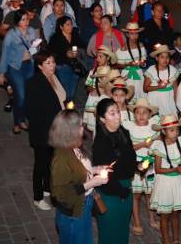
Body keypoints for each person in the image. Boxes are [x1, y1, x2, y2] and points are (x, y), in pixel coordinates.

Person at [50, 109, 109, 244]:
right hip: (73, 214)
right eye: (80, 126)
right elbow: (61, 194)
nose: (83, 129)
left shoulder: (74, 147)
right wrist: (92, 183)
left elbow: (77, 171)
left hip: (84, 206)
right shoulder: (61, 158)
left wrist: (95, 169)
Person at [23, 52, 66, 211]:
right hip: (43, 131)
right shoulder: (35, 82)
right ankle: (38, 196)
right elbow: (32, 109)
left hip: (57, 129)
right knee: (41, 164)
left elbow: (62, 99)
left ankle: (48, 190)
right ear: (40, 66)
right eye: (48, 63)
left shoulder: (54, 77)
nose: (52, 65)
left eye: (53, 62)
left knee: (51, 162)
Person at [92, 98, 138, 244]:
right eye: (112, 113)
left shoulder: (123, 132)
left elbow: (130, 158)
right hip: (111, 194)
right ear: (102, 118)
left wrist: (138, 166)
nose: (118, 116)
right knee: (110, 234)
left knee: (123, 230)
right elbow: (104, 175)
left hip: (125, 189)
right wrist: (121, 192)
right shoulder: (100, 142)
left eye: (118, 112)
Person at [150, 114, 181, 244]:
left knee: (175, 213)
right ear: (164, 131)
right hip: (165, 183)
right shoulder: (159, 146)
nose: (175, 133)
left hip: (178, 182)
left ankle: (176, 239)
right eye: (171, 130)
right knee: (164, 215)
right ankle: (166, 240)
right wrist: (175, 169)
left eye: (177, 130)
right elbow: (158, 169)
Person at [0, 10, 41, 134]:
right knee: (21, 96)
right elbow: (5, 54)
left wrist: (34, 48)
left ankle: (21, 118)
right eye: (23, 19)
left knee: (26, 95)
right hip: (15, 67)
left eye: (27, 19)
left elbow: (36, 49)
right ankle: (19, 121)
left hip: (29, 66)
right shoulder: (11, 34)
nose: (26, 22)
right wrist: (1, 73)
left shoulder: (32, 31)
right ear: (17, 21)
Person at [123, 98, 160, 235]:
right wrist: (142, 144)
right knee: (137, 195)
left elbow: (158, 142)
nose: (141, 115)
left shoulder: (153, 127)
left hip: (150, 165)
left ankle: (151, 218)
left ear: (150, 114)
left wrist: (155, 142)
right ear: (134, 114)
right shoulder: (129, 128)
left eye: (145, 112)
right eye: (138, 112)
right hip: (136, 165)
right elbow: (126, 148)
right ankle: (137, 221)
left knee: (149, 194)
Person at [48, 15, 84, 100]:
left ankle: (69, 107)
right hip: (62, 66)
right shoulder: (55, 38)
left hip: (75, 66)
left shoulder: (75, 35)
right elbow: (52, 53)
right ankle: (66, 107)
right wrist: (66, 54)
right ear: (61, 26)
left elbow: (82, 46)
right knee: (66, 91)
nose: (70, 26)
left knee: (72, 90)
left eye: (71, 24)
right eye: (67, 24)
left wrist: (78, 52)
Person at [144, 45, 179, 117]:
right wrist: (158, 87)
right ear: (157, 58)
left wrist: (175, 104)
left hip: (168, 101)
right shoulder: (151, 70)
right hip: (154, 100)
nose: (165, 59)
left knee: (169, 121)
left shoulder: (173, 70)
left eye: (167, 57)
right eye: (162, 57)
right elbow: (145, 88)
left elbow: (176, 89)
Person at [116, 22, 147, 102]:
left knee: (140, 96)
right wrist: (127, 64)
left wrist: (142, 63)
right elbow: (116, 65)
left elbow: (144, 60)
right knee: (128, 96)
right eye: (132, 34)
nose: (135, 36)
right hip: (127, 75)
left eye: (136, 34)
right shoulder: (123, 49)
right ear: (127, 35)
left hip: (139, 74)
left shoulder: (141, 46)